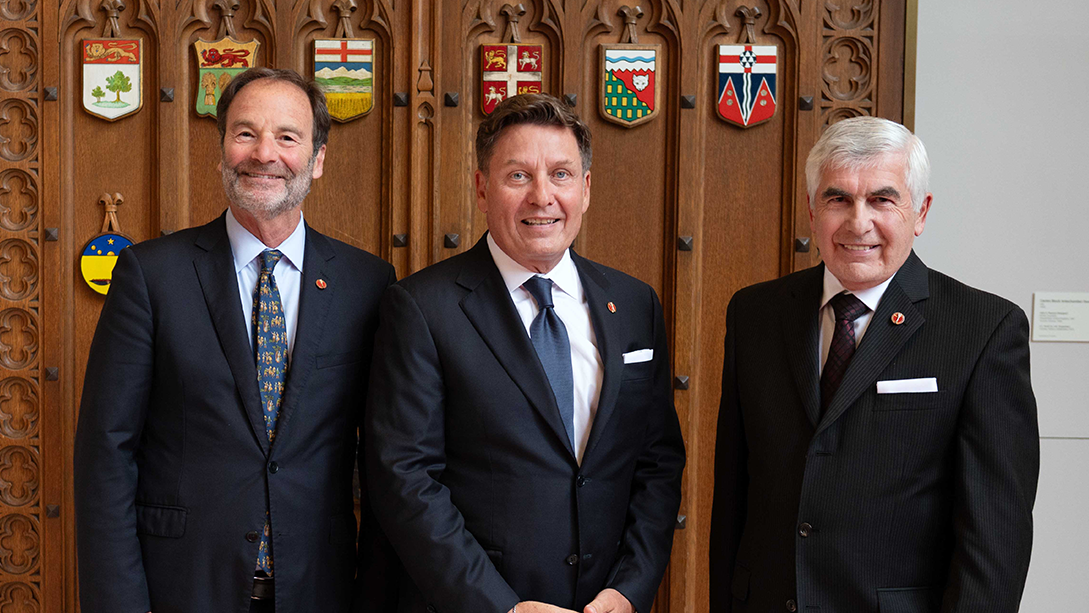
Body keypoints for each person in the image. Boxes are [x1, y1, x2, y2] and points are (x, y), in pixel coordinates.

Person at [74, 68, 396, 613]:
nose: (263, 153)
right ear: (222, 150)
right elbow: (106, 454)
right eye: (245, 133)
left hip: (322, 588)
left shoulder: (368, 284)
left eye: (287, 137)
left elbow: (390, 462)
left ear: (317, 160)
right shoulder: (151, 276)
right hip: (181, 587)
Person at [365, 93, 686, 613]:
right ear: (480, 187)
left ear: (585, 189)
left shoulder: (632, 304)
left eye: (560, 175)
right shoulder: (423, 307)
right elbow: (406, 479)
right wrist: (501, 608)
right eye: (518, 176)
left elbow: (656, 464)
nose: (543, 197)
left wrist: (629, 589)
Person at [709, 116, 1040, 612]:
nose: (857, 222)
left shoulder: (984, 330)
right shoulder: (755, 314)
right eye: (837, 198)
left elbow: (995, 536)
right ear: (811, 208)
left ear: (921, 212)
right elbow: (734, 497)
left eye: (882, 200)